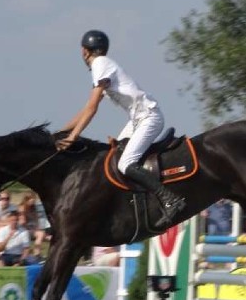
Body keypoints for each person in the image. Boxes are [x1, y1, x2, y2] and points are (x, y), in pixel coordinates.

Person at [56, 30, 185, 231]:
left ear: (84, 51)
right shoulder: (103, 66)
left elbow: (91, 109)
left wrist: (73, 137)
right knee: (112, 158)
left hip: (148, 118)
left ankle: (170, 200)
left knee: (125, 164)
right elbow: (86, 109)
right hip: (137, 120)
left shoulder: (99, 64)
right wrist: (61, 132)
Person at [18, 193, 47, 259]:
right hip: (22, 229)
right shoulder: (21, 208)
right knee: (41, 234)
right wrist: (34, 229)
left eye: (34, 199)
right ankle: (36, 253)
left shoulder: (33, 208)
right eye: (32, 199)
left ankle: (37, 253)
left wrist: (37, 228)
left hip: (31, 229)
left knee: (43, 234)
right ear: (26, 200)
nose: (33, 201)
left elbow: (36, 221)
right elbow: (22, 223)